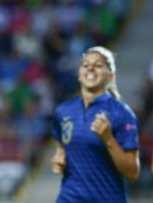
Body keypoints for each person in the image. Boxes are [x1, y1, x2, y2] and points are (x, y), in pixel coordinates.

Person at [51, 46, 140, 203]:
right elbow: (61, 148)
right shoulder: (63, 111)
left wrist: (109, 139)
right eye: (85, 65)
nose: (90, 68)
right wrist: (59, 159)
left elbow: (132, 173)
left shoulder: (122, 114)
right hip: (69, 198)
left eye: (98, 65)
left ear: (110, 76)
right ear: (79, 73)